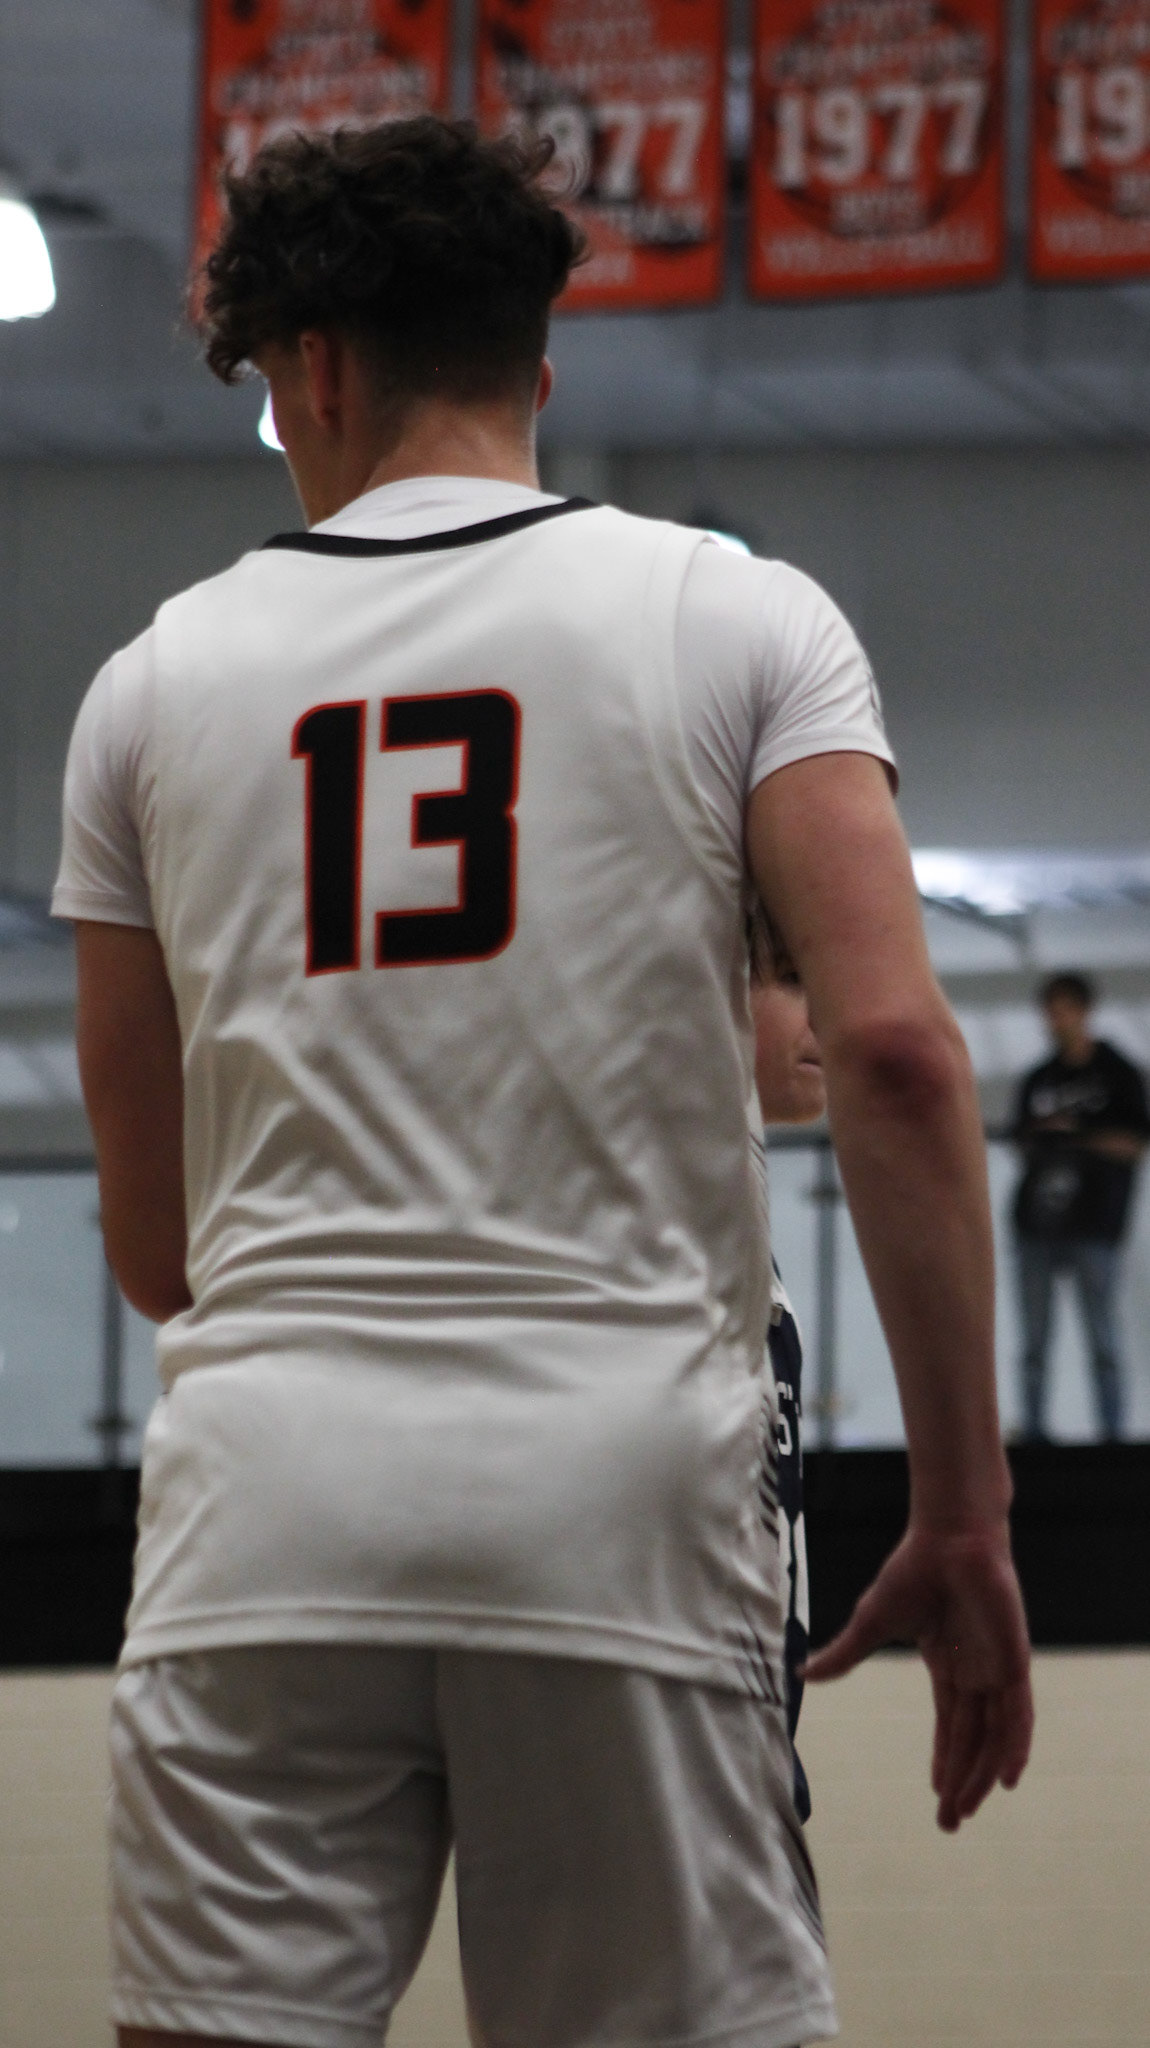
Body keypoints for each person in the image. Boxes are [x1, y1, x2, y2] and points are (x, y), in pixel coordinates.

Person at [53, 117, 1032, 2048]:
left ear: (315, 367)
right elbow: (899, 1054)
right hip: (621, 1498)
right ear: (539, 364)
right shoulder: (737, 615)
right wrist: (966, 1506)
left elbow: (158, 1249)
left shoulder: (146, 689)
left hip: (265, 1514)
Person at [748, 903, 825, 1824]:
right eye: (799, 981)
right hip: (700, 1769)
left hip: (751, 1766)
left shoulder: (743, 1210)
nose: (831, 1017)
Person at [1012, 971, 1149, 1441]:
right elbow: (1022, 1140)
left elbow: (1133, 1142)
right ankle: (1035, 1433)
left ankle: (1112, 1436)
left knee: (1102, 1337)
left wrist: (1077, 1137)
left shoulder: (1117, 1073)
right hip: (1037, 1222)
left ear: (1084, 1011)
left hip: (1095, 1222)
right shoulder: (1040, 1078)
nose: (1055, 1020)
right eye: (1050, 1010)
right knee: (1034, 1341)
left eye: (1064, 1009)